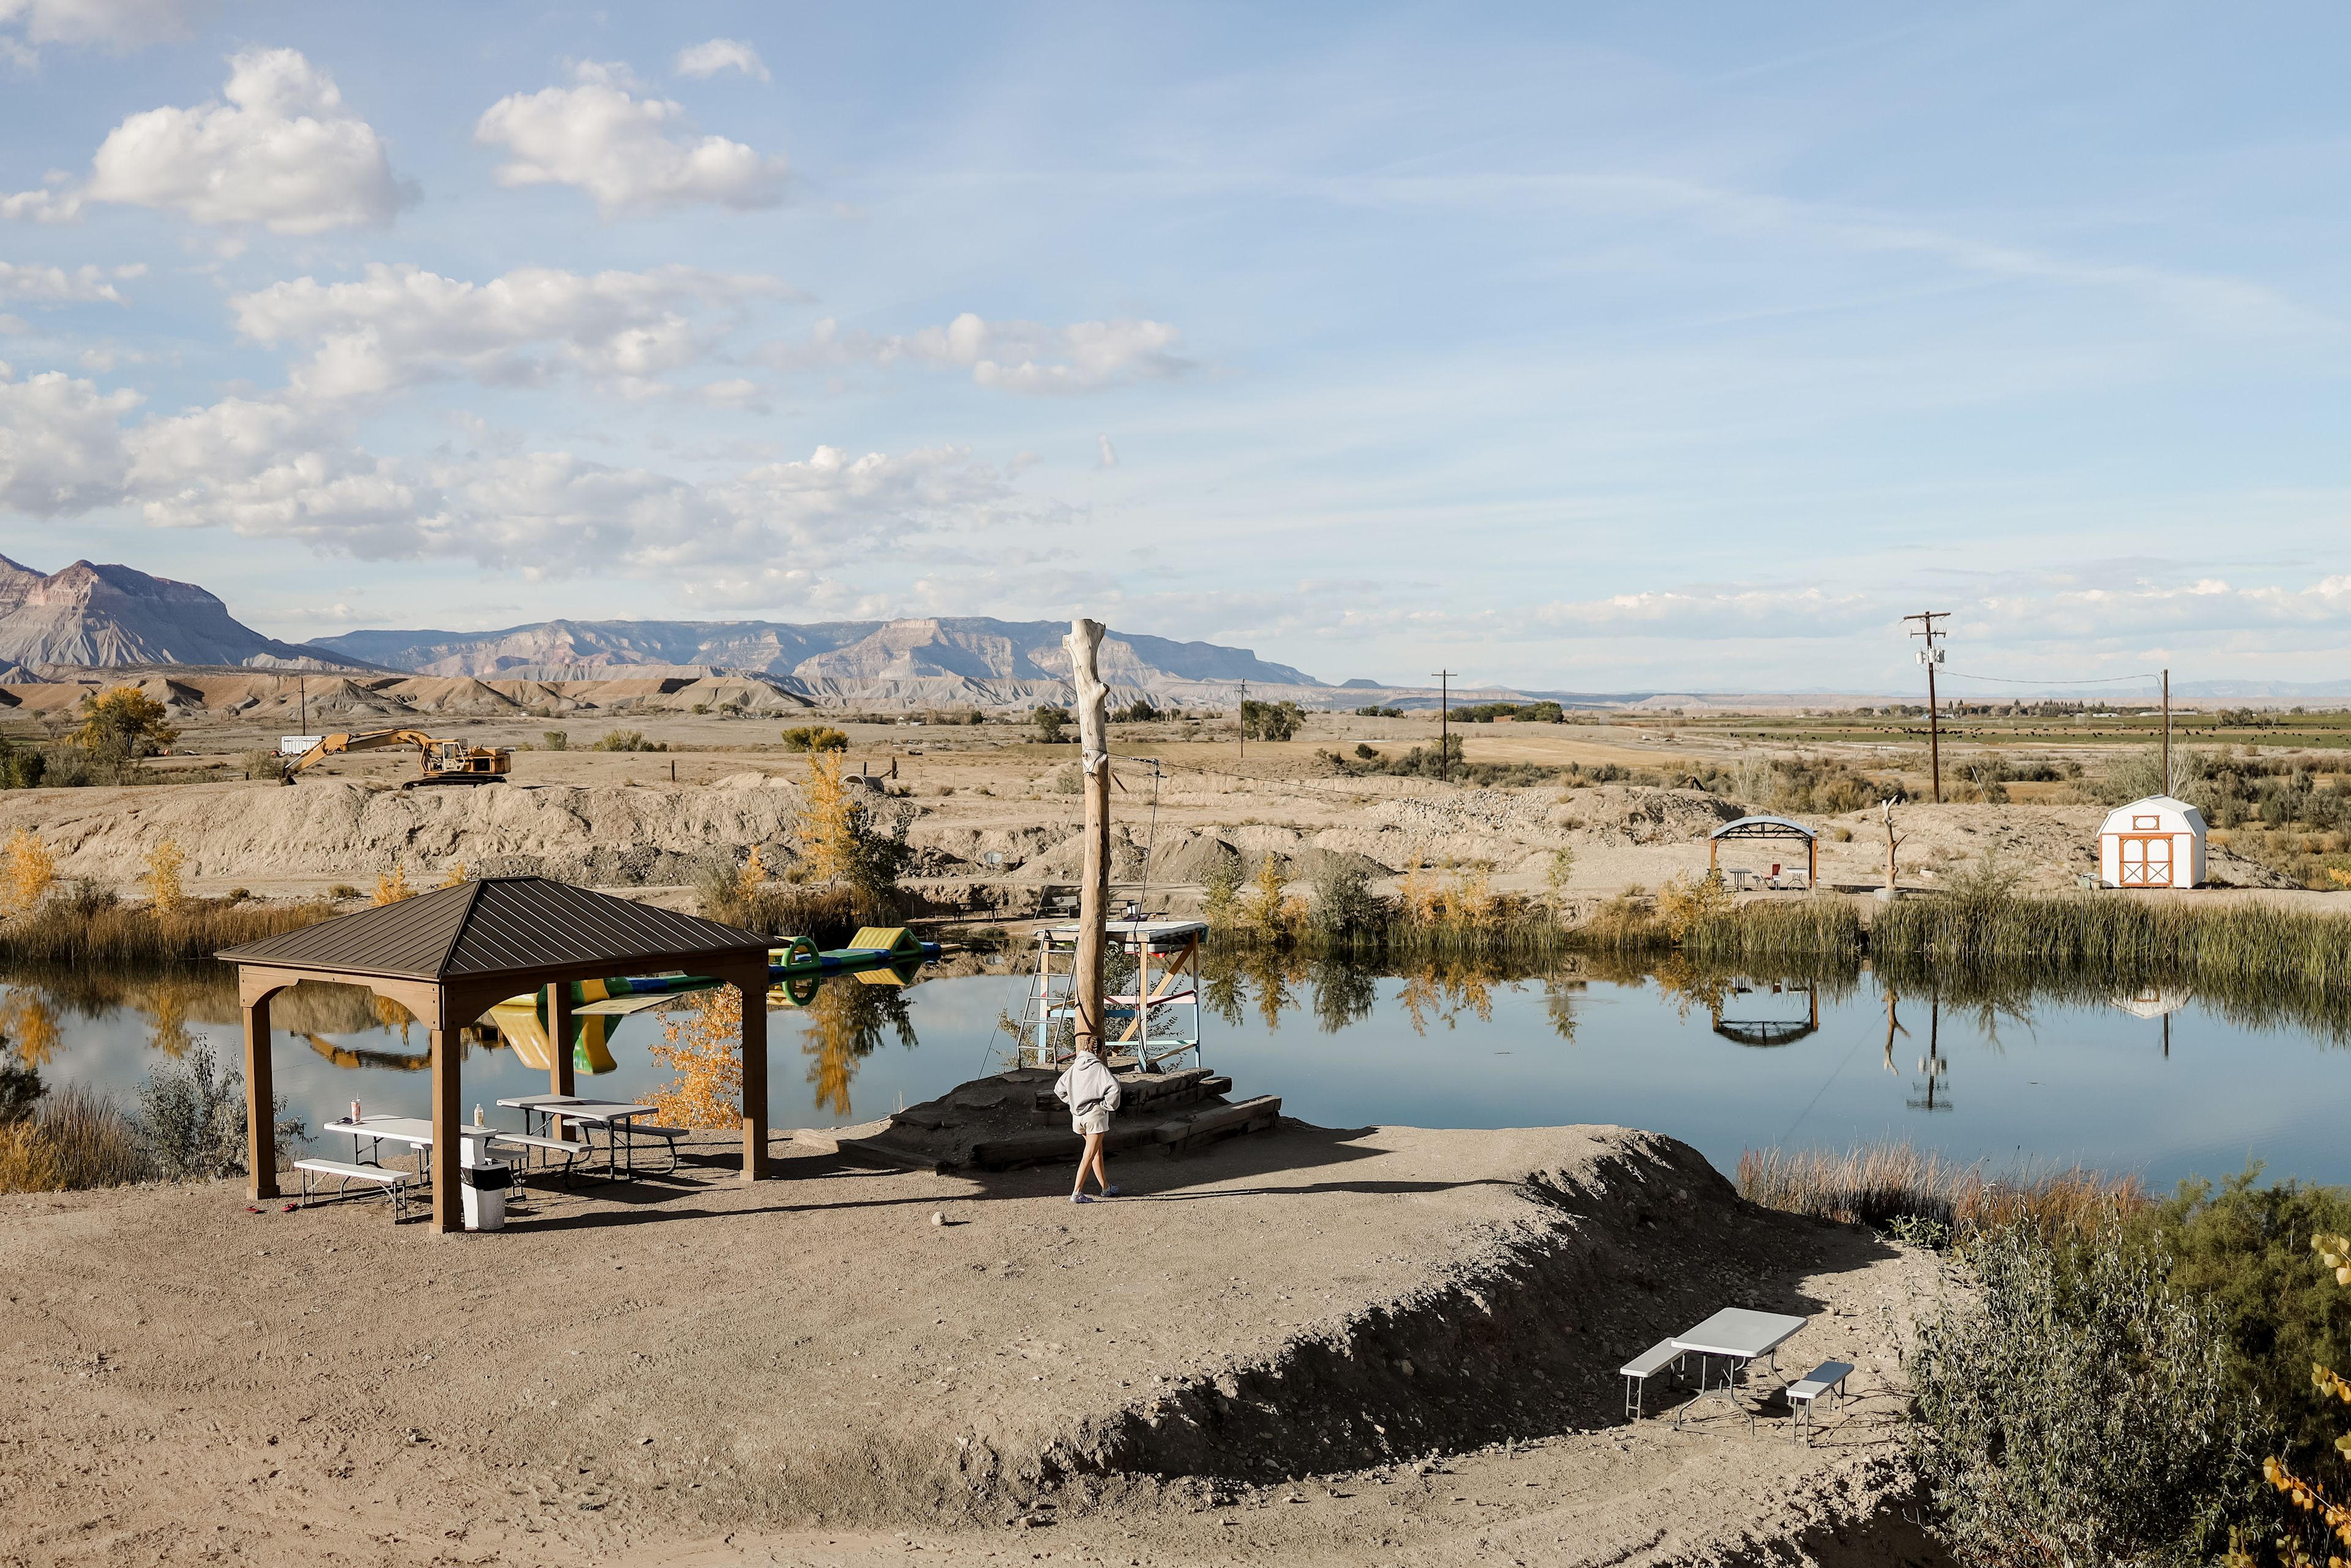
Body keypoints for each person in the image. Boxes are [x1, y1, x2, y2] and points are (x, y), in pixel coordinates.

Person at [1052, 1041, 1122, 1203]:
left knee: (1097, 1150)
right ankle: (1077, 1193)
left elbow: (1059, 1089)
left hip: (1078, 1118)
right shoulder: (1100, 1069)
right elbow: (1115, 1090)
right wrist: (1106, 1106)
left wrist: (1073, 1102)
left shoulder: (1074, 1068)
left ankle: (1106, 1188)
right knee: (1089, 1155)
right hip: (1094, 1118)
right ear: (1100, 1051)